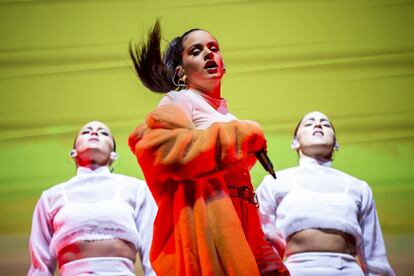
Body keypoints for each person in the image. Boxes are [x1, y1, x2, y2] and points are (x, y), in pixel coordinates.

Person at [128, 20, 289, 275]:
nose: (208, 53)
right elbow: (155, 147)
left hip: (240, 237)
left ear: (224, 63)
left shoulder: (231, 117)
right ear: (182, 72)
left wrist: (265, 258)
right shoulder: (180, 100)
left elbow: (244, 200)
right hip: (205, 241)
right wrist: (239, 134)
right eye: (196, 50)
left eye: (213, 47)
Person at [256, 111, 395, 275]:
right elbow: (261, 239)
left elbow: (374, 256)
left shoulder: (358, 188)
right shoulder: (275, 182)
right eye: (309, 123)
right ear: (294, 143)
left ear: (336, 143)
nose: (318, 124)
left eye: (326, 124)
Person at [28, 120, 157, 276]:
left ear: (113, 154)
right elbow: (40, 266)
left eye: (103, 133)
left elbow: (153, 255)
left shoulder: (137, 189)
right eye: (86, 131)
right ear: (73, 151)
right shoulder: (51, 197)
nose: (94, 132)